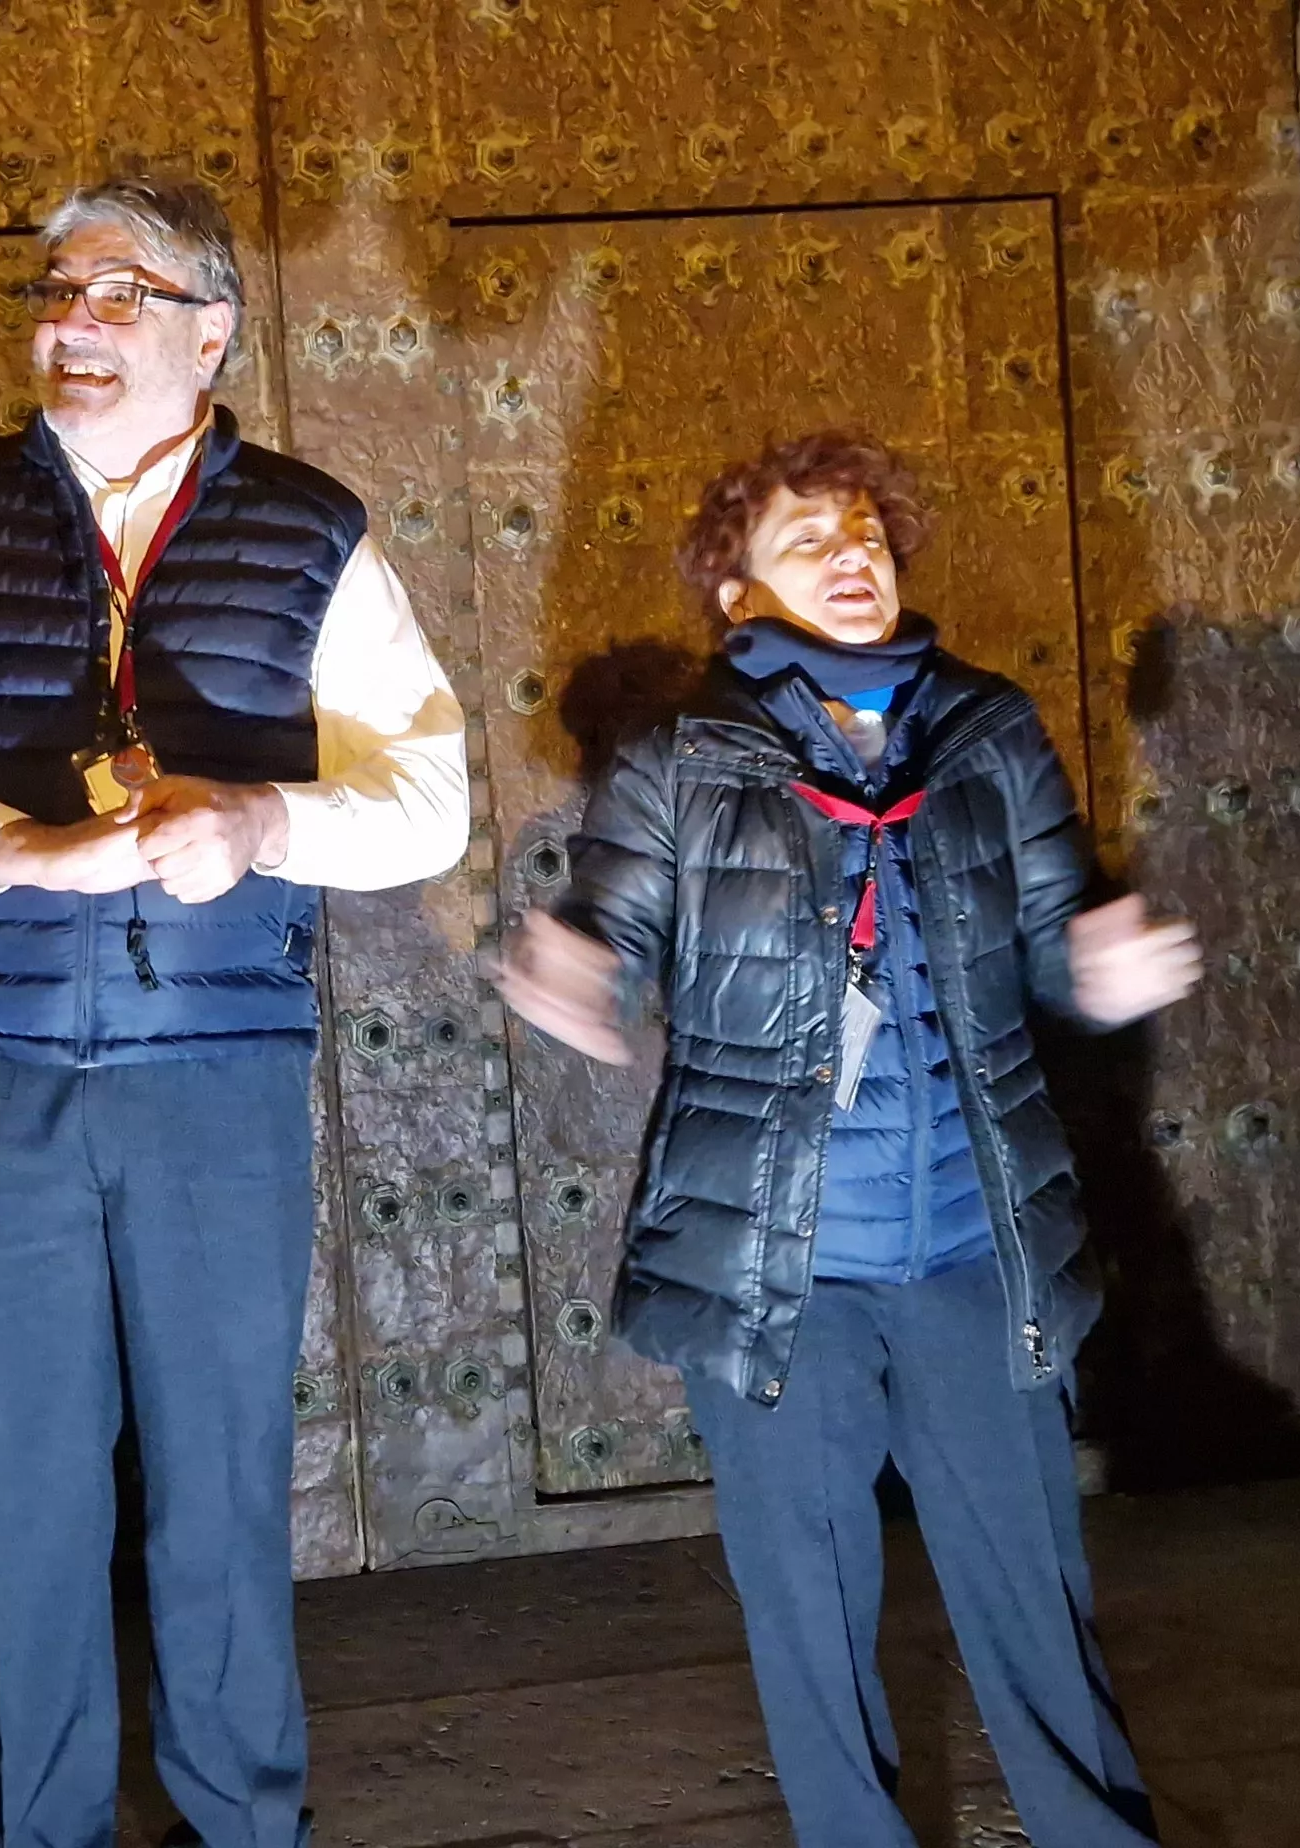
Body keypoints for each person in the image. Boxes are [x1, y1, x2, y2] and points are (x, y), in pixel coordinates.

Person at [0, 174, 467, 1847]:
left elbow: (431, 798)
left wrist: (265, 823)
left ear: (208, 332)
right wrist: (3, 846)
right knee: (25, 1495)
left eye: (115, 295)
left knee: (222, 1487)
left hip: (215, 1075)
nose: (69, 325)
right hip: (3, 1063)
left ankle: (247, 1827)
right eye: (54, 293)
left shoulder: (308, 526)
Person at [497, 431, 1201, 1844]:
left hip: (974, 1249)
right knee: (811, 1620)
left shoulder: (988, 733)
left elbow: (1057, 938)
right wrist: (581, 974)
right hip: (780, 1272)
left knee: (1034, 1604)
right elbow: (614, 928)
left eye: (867, 532)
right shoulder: (679, 763)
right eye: (808, 540)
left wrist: (1095, 968)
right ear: (737, 593)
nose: (852, 557)